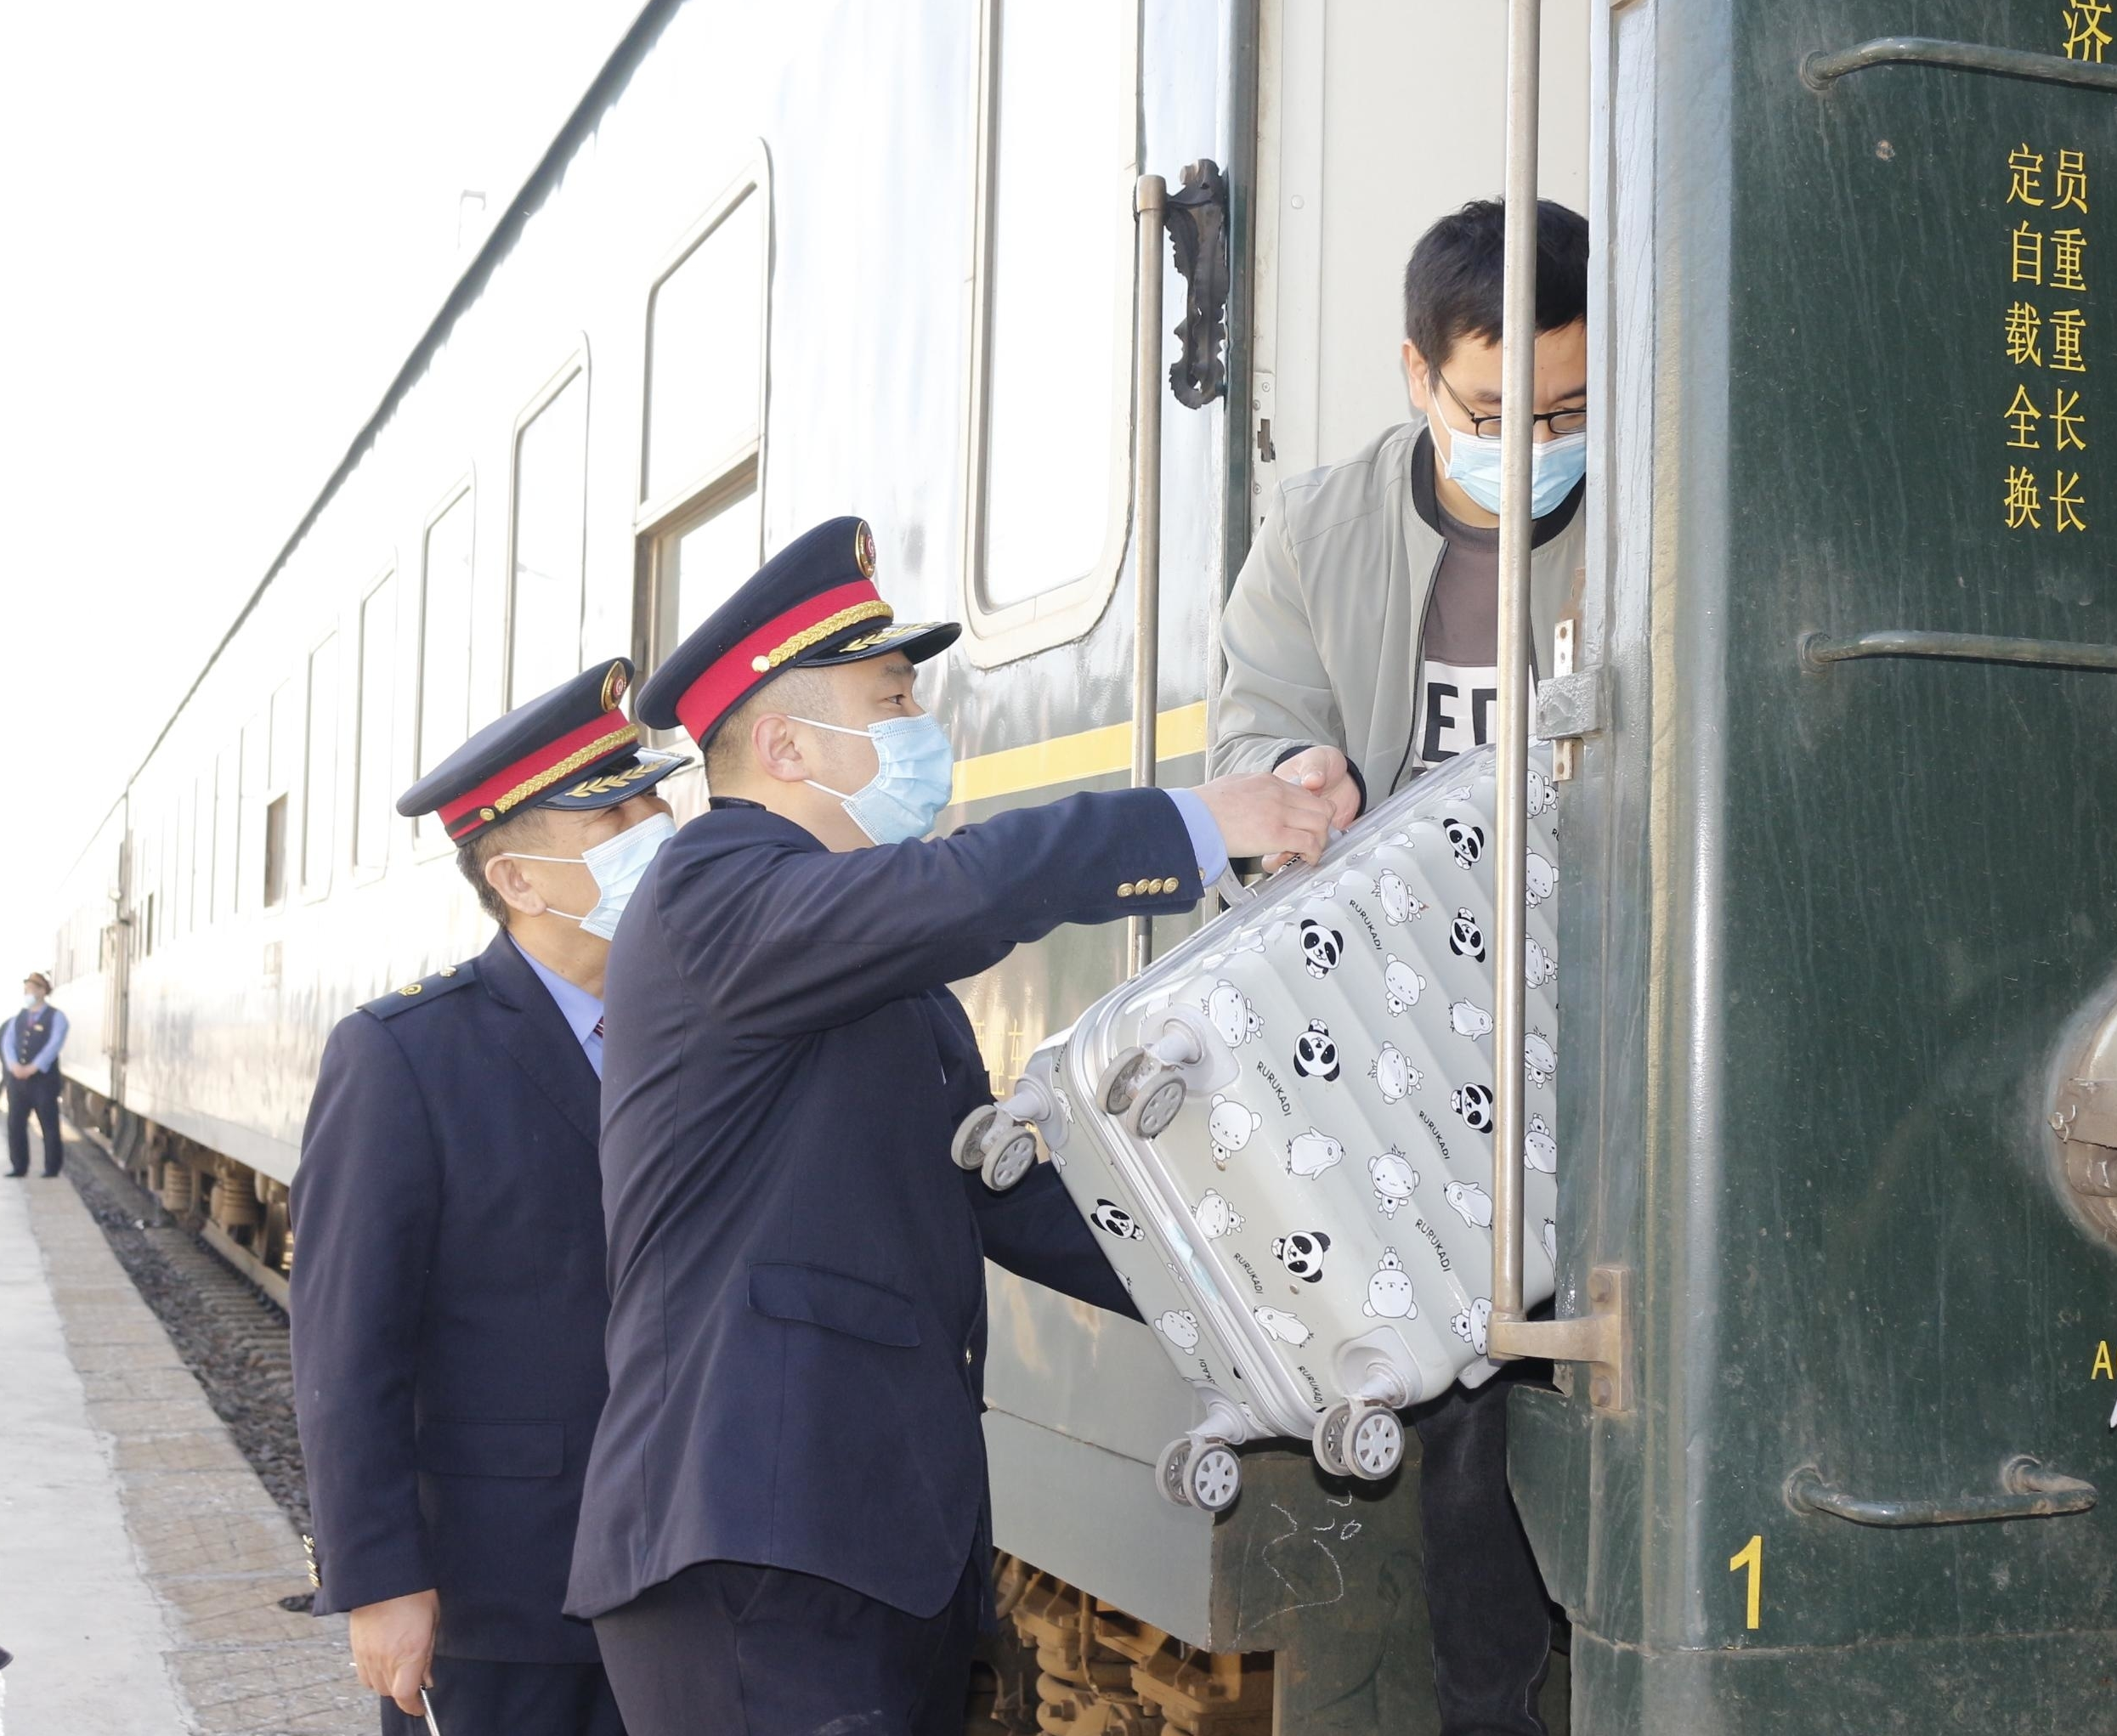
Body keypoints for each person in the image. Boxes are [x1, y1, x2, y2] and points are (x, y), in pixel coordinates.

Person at [566, 516, 1334, 1736]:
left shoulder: (853, 958)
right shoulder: (711, 888)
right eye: (891, 701)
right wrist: (1194, 823)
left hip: (866, 1539)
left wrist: (1282, 1292)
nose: (925, 735)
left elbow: (996, 1186)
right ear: (783, 742)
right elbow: (967, 885)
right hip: (760, 1543)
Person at [1210, 197, 1588, 1736]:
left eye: (1568, 412)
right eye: (1496, 413)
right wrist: (1298, 767)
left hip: (1587, 1033)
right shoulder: (1320, 531)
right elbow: (1249, 726)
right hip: (1391, 1051)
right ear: (1419, 378)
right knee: (1439, 1426)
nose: (1536, 443)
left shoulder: (1668, 506)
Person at [291, 658, 686, 1736]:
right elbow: (346, 1344)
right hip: (504, 1591)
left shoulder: (706, 1032)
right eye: (618, 813)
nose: (659, 824)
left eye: (652, 797)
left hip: (694, 1583)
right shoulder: (405, 1056)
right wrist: (378, 1581)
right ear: (517, 880)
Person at [3, 972, 70, 1179]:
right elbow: (7, 1043)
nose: (27, 994)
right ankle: (19, 1166)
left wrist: (34, 1067)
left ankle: (51, 1168)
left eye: (31, 990)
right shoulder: (18, 1018)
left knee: (49, 1126)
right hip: (18, 1081)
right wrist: (13, 1066)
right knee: (15, 1125)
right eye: (25, 991)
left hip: (43, 1081)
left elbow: (54, 1045)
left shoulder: (56, 1017)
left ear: (42, 991)